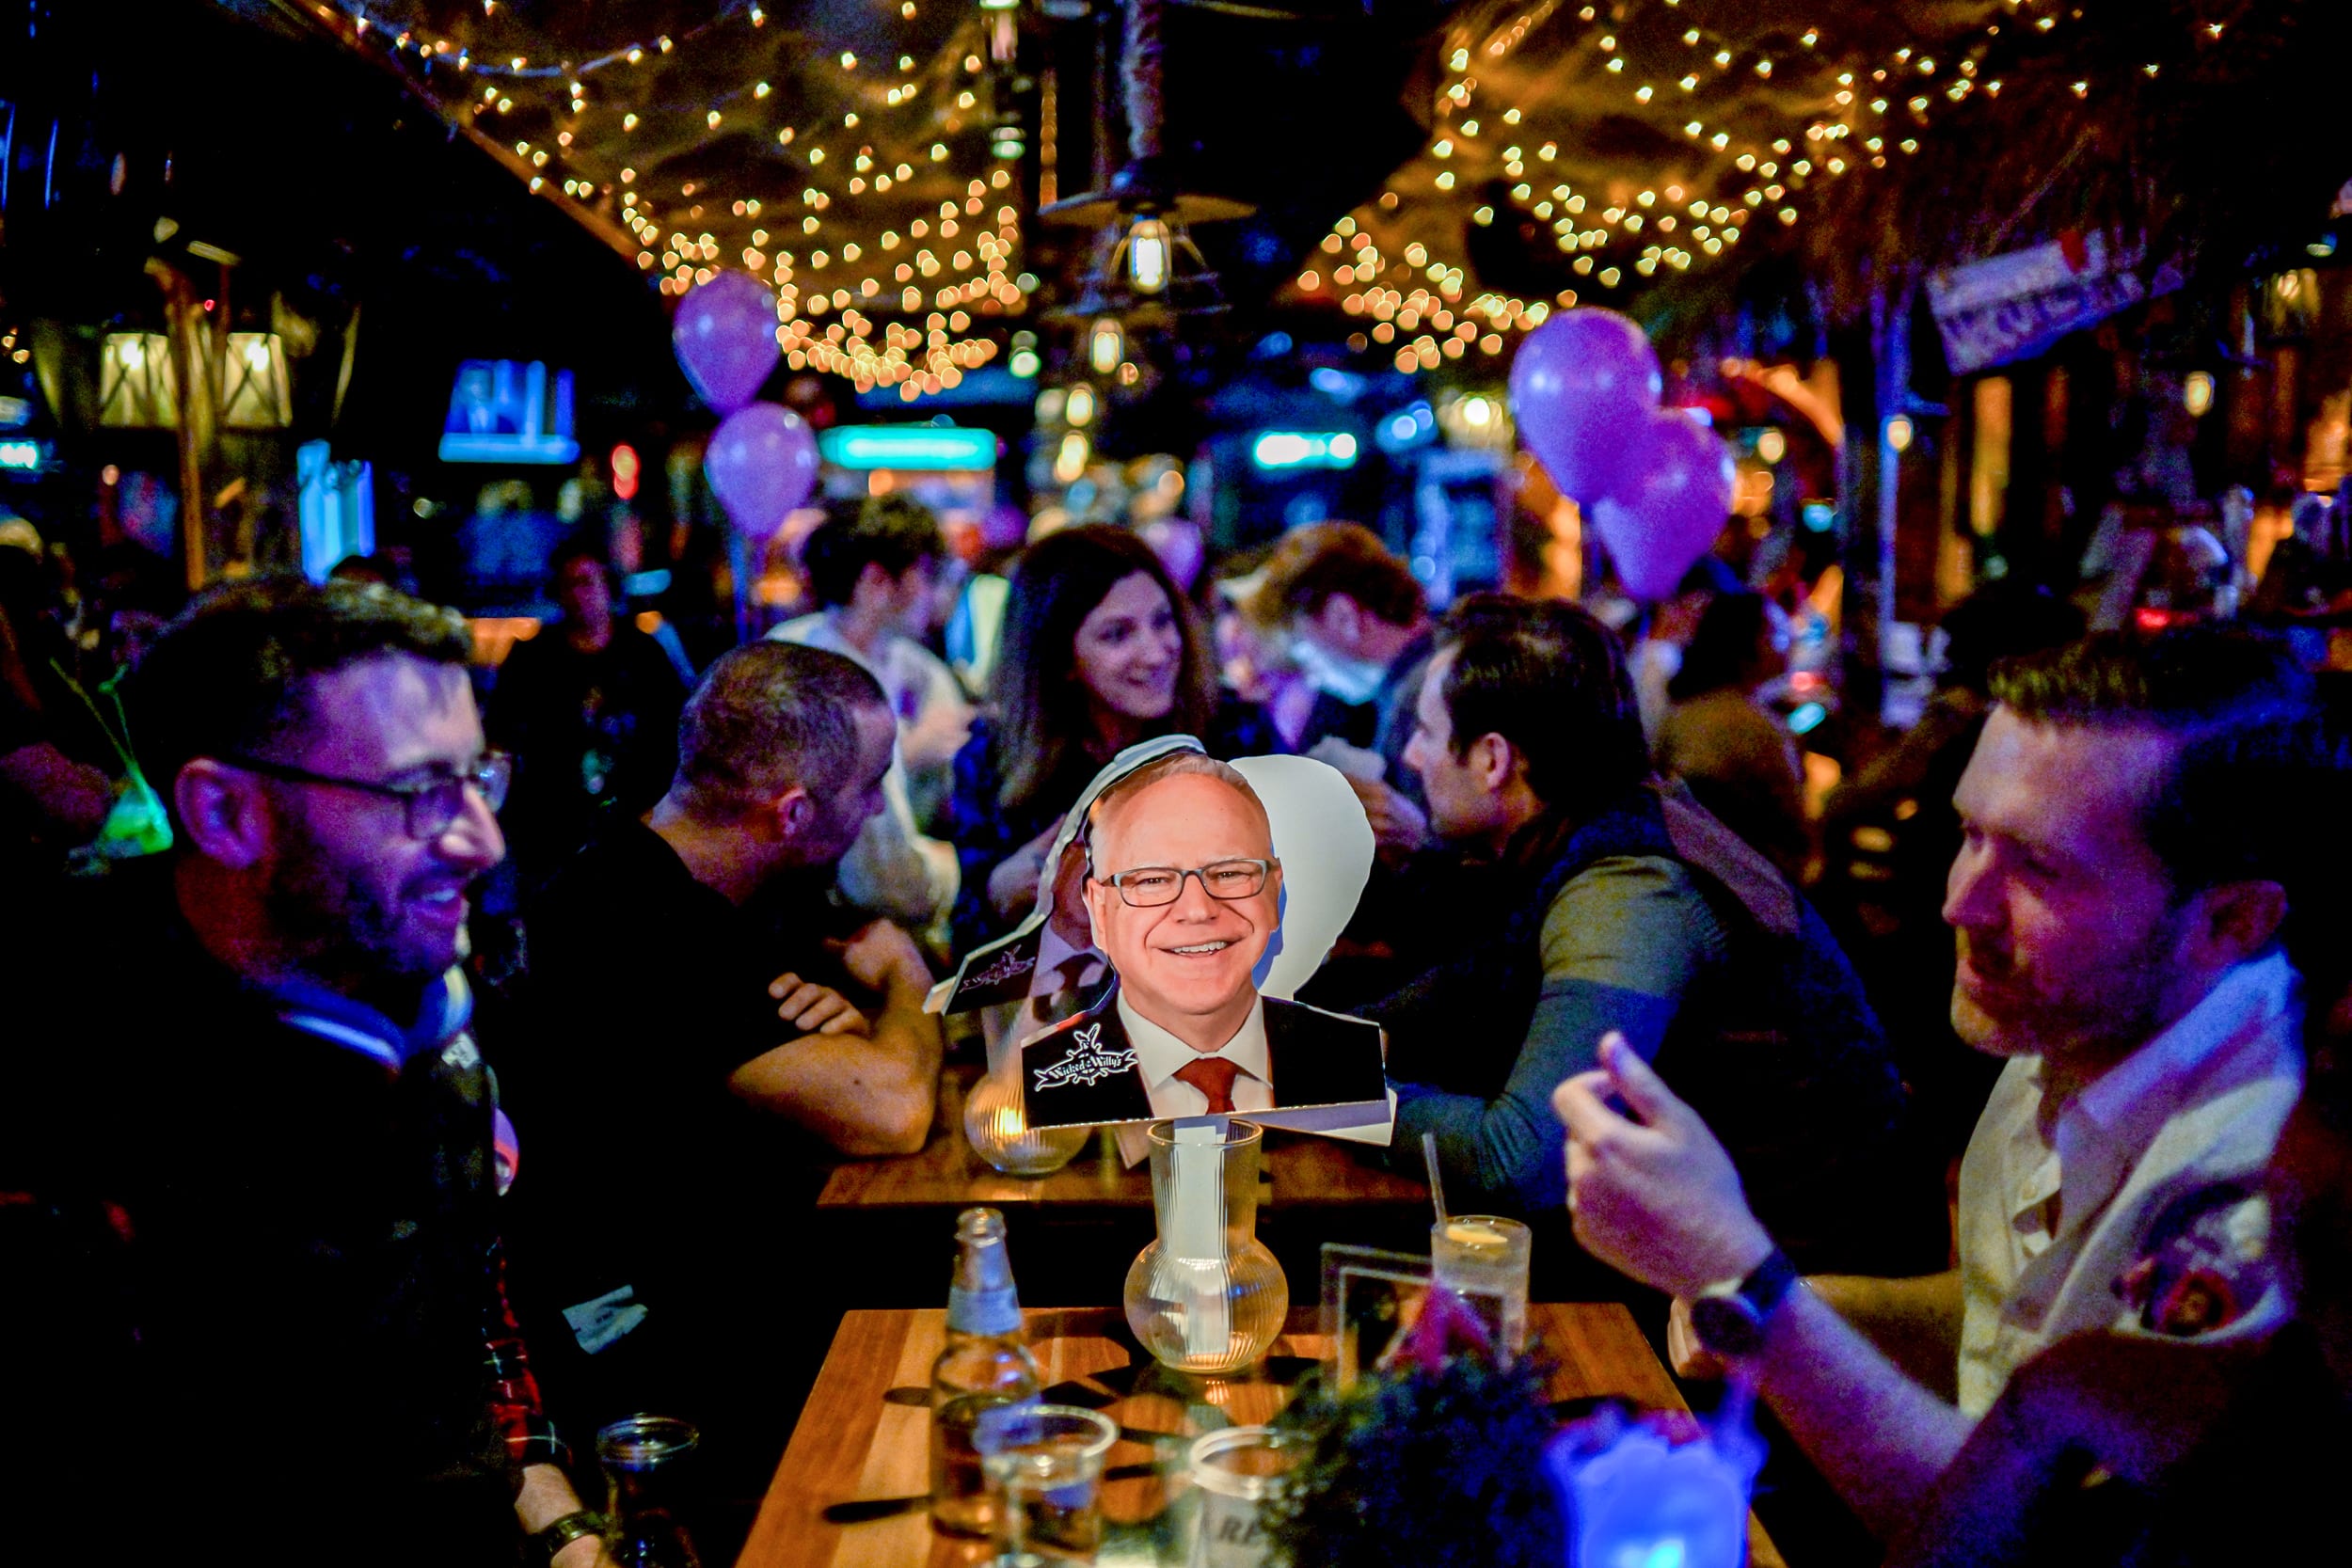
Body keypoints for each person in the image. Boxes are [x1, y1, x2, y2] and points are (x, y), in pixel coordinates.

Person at [1556, 626, 2328, 1544]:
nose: (1961, 901)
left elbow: (2022, 1541)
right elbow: (2001, 1313)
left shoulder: (2267, 1184)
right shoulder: (2076, 1018)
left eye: (2041, 866)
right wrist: (1806, 1305)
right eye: (1971, 834)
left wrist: (1751, 1287)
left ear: (2231, 919)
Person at [0, 577, 610, 1567]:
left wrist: (565, 1529)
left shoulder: (422, 998)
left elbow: (458, 1346)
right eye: (419, 792)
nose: (483, 841)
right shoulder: (65, 1084)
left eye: (478, 777)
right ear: (225, 810)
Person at [498, 641, 942, 1467]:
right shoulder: (633, 922)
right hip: (643, 1355)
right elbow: (892, 1108)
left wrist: (858, 1032)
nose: (878, 807)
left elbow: (849, 1057)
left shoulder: (729, 878)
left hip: (720, 1282)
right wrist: (907, 985)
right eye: (870, 784)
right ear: (794, 812)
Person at [1376, 595, 1910, 1273]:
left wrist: (1330, 1099)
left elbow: (1521, 1160)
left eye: (1426, 732)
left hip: (1792, 1291)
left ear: (1492, 760)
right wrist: (1296, 1052)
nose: (1413, 755)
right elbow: (1443, 1002)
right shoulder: (1594, 832)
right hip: (1715, 1255)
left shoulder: (1629, 889)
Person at [946, 524, 1277, 958]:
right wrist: (1000, 894)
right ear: (1060, 657)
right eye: (1117, 634)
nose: (1156, 652)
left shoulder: (1233, 730)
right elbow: (967, 950)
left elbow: (1302, 887)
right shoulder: (994, 757)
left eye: (1162, 622)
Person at [1019, 752, 1386, 1128]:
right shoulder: (1042, 1089)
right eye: (1153, 880)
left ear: (1273, 893)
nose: (1197, 909)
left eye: (1229, 873)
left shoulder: (1349, 1058)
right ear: (1099, 910)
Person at [768, 497, 970, 927]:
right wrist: (967, 866)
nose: (933, 594)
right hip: (820, 920)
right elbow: (888, 884)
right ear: (877, 581)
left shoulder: (906, 663)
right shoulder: (820, 677)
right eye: (923, 574)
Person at [489, 536, 688, 887]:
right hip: (551, 823)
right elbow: (502, 732)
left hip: (634, 816)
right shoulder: (533, 658)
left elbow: (673, 728)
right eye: (569, 584)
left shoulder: (643, 654)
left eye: (586, 582)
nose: (579, 595)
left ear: (607, 585)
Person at [1251, 520, 1435, 852]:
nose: (1313, 678)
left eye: (1305, 652)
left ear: (1343, 616)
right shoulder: (1433, 667)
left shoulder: (1418, 697)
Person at [1651, 591, 1808, 880]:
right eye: (1778, 636)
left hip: (1690, 875)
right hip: (1757, 883)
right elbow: (1796, 834)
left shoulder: (1679, 714)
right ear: (1745, 645)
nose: (1790, 646)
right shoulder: (1760, 730)